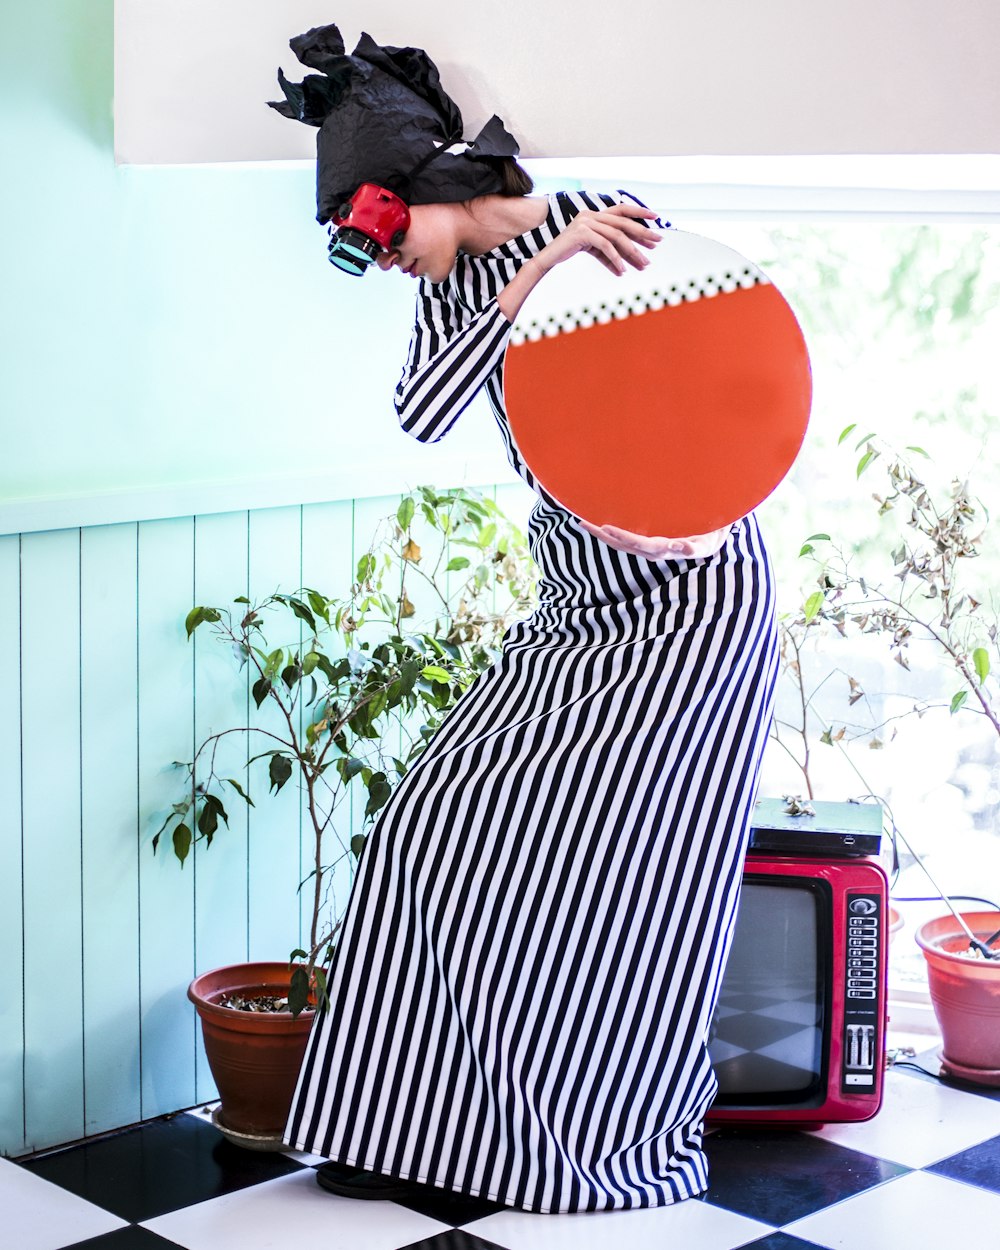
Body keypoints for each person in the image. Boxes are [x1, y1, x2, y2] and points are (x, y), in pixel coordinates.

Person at [272, 24, 779, 1215]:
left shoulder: (609, 217)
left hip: (692, 604)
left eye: (379, 222)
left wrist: (559, 247)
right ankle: (410, 1125)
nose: (377, 251)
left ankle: (574, 1139)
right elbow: (423, 412)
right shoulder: (462, 289)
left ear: (428, 187)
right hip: (577, 604)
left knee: (623, 887)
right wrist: (536, 265)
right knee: (426, 830)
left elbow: (719, 376)